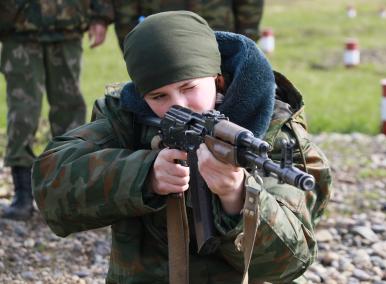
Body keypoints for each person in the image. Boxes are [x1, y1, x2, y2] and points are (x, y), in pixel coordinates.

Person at [32, 11, 332, 283]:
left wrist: (239, 196)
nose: (178, 105)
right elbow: (50, 185)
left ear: (218, 80)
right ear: (142, 95)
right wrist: (144, 174)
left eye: (189, 88)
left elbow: (291, 263)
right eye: (159, 97)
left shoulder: (272, 129)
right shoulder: (129, 119)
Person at [0, 0, 114, 220]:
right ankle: (22, 195)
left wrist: (101, 15)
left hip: (67, 21)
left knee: (70, 111)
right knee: (22, 113)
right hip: (18, 24)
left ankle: (69, 193)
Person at [111, 0, 263, 51]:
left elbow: (249, 5)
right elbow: (126, 6)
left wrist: (245, 41)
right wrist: (132, 46)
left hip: (219, 39)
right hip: (161, 42)